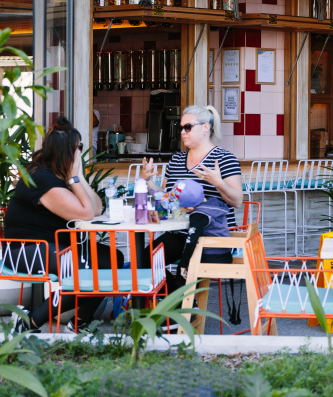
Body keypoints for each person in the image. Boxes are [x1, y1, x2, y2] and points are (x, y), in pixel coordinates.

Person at [5, 116, 121, 332]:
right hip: (26, 250)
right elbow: (87, 214)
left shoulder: (58, 177)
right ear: (67, 151)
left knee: (112, 259)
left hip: (53, 247)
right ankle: (29, 322)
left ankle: (79, 322)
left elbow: (96, 208)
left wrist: (78, 176)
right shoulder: (41, 178)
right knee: (88, 271)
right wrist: (73, 179)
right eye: (79, 148)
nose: (81, 153)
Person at [140, 105, 242, 289]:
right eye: (181, 128)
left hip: (211, 234)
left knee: (170, 262)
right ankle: (178, 302)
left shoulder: (224, 158)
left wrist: (218, 182)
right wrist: (147, 182)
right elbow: (167, 197)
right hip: (181, 232)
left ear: (206, 128)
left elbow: (237, 201)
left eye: (188, 127)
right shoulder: (176, 160)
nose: (183, 132)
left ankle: (180, 304)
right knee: (145, 260)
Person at [165, 178, 231, 293]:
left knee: (182, 271)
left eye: (178, 206)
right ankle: (186, 301)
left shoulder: (199, 216)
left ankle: (182, 303)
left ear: (190, 208)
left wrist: (183, 264)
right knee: (185, 261)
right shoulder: (211, 204)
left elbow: (191, 241)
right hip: (222, 253)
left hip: (211, 257)